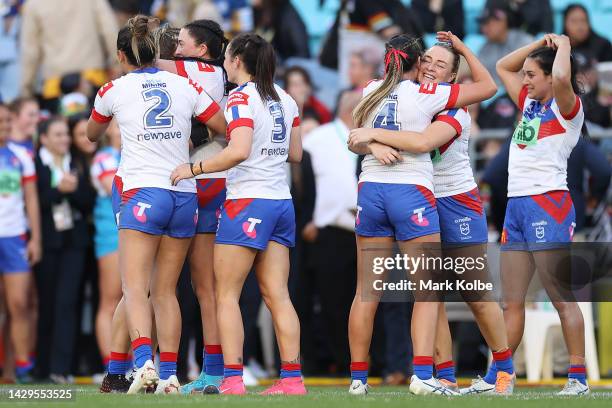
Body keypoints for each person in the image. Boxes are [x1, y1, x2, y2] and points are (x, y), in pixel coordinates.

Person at [348, 37, 516, 395]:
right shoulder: (415, 94)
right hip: (417, 196)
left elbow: (423, 142)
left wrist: (373, 136)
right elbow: (364, 135)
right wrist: (373, 143)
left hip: (455, 200)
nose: (431, 66)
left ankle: (504, 368)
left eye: (441, 64)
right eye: (427, 59)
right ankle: (443, 374)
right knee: (430, 291)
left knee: (475, 292)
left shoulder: (453, 108)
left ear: (453, 76)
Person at [87, 15, 226, 394]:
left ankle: (142, 363)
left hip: (140, 189)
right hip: (183, 191)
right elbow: (224, 126)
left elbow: (90, 133)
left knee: (134, 289)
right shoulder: (184, 84)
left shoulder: (112, 89)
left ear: (121, 55)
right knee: (165, 291)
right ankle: (168, 374)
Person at [170, 33, 304, 396]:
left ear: (237, 61)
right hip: (281, 202)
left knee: (225, 294)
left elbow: (238, 150)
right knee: (278, 294)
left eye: (227, 57)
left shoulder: (241, 97)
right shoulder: (286, 98)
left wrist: (193, 170)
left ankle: (232, 379)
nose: (224, 63)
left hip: (248, 201)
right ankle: (292, 380)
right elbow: (296, 154)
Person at [496, 33, 589, 395]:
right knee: (511, 301)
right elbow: (504, 66)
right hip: (516, 205)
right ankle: (501, 378)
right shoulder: (528, 104)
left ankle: (577, 378)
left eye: (532, 74)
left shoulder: (567, 108)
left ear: (551, 77)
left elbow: (565, 78)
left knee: (560, 297)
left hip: (546, 203)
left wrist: (562, 45)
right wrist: (537, 44)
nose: (525, 80)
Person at [158, 18, 229, 395]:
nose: (174, 45)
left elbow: (147, 58)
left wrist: (147, 34)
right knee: (204, 287)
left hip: (197, 179)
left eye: (181, 41)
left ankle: (132, 367)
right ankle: (212, 371)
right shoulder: (208, 72)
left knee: (183, 286)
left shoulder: (197, 68)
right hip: (209, 179)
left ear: (201, 49)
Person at [301, 90, 361, 376]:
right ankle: (342, 362)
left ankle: (374, 360)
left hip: (367, 231)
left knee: (368, 301)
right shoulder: (318, 138)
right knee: (333, 303)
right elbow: (300, 180)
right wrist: (308, 219)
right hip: (331, 231)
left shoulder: (375, 135)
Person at [34, 116, 96, 383]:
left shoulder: (77, 162)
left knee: (67, 303)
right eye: (57, 135)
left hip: (75, 243)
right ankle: (42, 368)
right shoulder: (36, 164)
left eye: (65, 135)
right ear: (44, 138)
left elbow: (88, 200)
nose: (64, 140)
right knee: (46, 304)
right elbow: (35, 202)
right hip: (47, 243)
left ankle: (62, 368)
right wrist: (58, 191)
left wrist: (71, 191)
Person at [0, 103, 41, 382]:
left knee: (18, 304)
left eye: (6, 120)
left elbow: (31, 198)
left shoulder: (20, 156)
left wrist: (36, 238)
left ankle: (19, 369)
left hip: (15, 236)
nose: (3, 125)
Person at [20, 0, 119, 112]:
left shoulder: (33, 4)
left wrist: (26, 90)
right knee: (100, 126)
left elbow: (30, 52)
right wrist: (117, 66)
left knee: (58, 128)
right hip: (92, 79)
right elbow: (110, 32)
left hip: (55, 85)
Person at [90, 120, 122, 381]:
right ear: (109, 130)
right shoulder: (104, 157)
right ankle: (109, 364)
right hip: (112, 235)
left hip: (139, 232)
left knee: (139, 298)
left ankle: (133, 361)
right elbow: (114, 190)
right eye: (118, 126)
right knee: (111, 300)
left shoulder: (138, 156)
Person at [477, 5, 533, 87]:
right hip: (493, 95)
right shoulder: (485, 47)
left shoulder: (524, 41)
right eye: (482, 23)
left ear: (502, 21)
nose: (484, 28)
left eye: (488, 23)